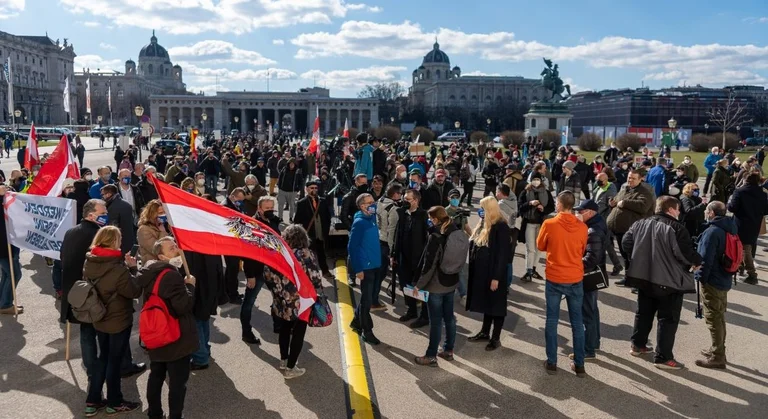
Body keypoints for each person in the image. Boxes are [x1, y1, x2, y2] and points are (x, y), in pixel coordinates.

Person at [622, 196, 702, 370]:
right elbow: (685, 254)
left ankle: (637, 345)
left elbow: (626, 243)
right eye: (678, 209)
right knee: (668, 319)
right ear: (671, 209)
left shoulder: (640, 223)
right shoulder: (676, 228)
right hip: (669, 281)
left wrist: (637, 258)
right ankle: (663, 357)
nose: (679, 212)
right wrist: (697, 261)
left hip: (644, 277)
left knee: (643, 313)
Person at [83, 226, 143, 415]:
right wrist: (133, 268)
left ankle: (93, 400)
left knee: (103, 357)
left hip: (99, 316)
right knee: (114, 361)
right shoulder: (118, 269)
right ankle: (115, 401)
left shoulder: (90, 260)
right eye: (120, 238)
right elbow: (134, 291)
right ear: (114, 242)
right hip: (118, 319)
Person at [136, 237, 198, 419]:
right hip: (174, 336)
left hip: (156, 334)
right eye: (172, 248)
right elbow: (183, 306)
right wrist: (190, 286)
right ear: (162, 256)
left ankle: (154, 413)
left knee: (156, 375)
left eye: (176, 246)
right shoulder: (171, 275)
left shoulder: (149, 271)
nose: (177, 250)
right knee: (177, 383)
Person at [536, 191, 589, 376]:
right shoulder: (582, 227)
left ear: (559, 204)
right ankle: (579, 363)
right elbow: (582, 249)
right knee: (577, 322)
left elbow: (540, 245)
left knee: (552, 320)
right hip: (574, 276)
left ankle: (552, 361)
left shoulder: (549, 224)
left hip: (555, 276)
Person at [60, 199, 108, 385]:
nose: (106, 215)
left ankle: (91, 367)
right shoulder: (98, 234)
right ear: (91, 215)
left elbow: (63, 257)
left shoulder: (70, 232)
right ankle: (105, 367)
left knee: (86, 332)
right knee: (99, 332)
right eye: (102, 212)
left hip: (75, 291)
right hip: (92, 292)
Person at [413, 206, 460, 366]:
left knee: (436, 321)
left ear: (435, 219)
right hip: (451, 282)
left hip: (436, 285)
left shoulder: (436, 236)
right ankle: (448, 350)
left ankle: (431, 355)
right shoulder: (455, 230)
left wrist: (419, 285)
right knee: (450, 318)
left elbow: (429, 264)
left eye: (430, 218)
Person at [694, 201, 736, 369]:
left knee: (713, 318)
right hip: (724, 277)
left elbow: (705, 259)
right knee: (719, 316)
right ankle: (717, 349)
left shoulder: (712, 232)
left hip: (713, 280)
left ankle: (718, 356)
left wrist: (700, 278)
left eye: (707, 210)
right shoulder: (730, 227)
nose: (705, 212)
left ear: (711, 213)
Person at [466, 197, 511, 351]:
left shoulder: (501, 226)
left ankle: (495, 338)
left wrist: (496, 278)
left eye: (483, 208)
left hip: (494, 273)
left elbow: (503, 255)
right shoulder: (485, 223)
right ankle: (485, 332)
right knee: (488, 304)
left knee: (496, 306)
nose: (480, 211)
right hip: (483, 272)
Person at [607, 170, 654, 286]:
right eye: (629, 177)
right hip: (619, 229)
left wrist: (625, 203)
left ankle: (636, 281)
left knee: (633, 256)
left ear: (640, 179)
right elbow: (617, 200)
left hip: (631, 230)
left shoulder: (645, 192)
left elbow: (643, 206)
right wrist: (612, 202)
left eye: (633, 178)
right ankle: (628, 278)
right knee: (625, 255)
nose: (630, 180)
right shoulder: (625, 189)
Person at [392, 189, 430, 327]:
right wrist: (394, 254)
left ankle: (425, 316)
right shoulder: (402, 214)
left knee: (421, 287)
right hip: (404, 258)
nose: (405, 202)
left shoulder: (424, 215)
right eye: (404, 199)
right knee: (406, 285)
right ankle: (411, 310)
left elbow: (428, 239)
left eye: (408, 199)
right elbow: (397, 235)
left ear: (416, 201)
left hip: (419, 260)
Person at [574, 199, 607, 362]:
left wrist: (574, 264)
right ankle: (594, 343)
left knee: (587, 312)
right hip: (591, 275)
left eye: (581, 212)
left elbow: (592, 258)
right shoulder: (594, 225)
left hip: (588, 275)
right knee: (592, 310)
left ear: (590, 213)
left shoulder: (593, 231)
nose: (577, 214)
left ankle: (588, 350)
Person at [349, 193, 382, 345]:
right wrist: (358, 269)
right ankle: (367, 331)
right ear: (362, 206)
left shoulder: (371, 218)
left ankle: (357, 321)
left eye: (373, 201)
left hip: (375, 264)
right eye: (369, 202)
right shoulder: (359, 223)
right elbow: (352, 247)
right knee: (367, 300)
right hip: (366, 267)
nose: (373, 204)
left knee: (366, 298)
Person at [727, 173, 768, 285]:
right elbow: (766, 210)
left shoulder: (740, 191)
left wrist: (730, 202)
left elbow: (732, 207)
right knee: (747, 246)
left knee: (744, 249)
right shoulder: (762, 193)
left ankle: (752, 274)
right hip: (754, 224)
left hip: (740, 223)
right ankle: (740, 267)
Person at [519, 173, 554, 282]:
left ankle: (533, 269)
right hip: (529, 223)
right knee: (530, 248)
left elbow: (551, 207)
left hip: (541, 224)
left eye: (538, 179)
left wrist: (543, 209)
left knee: (539, 247)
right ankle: (529, 271)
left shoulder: (546, 192)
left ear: (541, 180)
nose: (536, 181)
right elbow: (520, 207)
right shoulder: (525, 192)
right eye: (534, 179)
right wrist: (529, 203)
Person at [293, 181, 332, 276]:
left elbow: (328, 216)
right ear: (307, 189)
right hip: (309, 233)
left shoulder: (323, 201)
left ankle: (325, 271)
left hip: (320, 232)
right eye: (312, 188)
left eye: (315, 188)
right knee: (308, 255)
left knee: (321, 252)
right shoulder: (302, 203)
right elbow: (297, 220)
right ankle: (309, 274)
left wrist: (326, 229)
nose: (314, 190)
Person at [373, 183, 402, 310]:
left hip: (378, 239)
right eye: (400, 193)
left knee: (378, 273)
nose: (401, 196)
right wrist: (391, 251)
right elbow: (392, 231)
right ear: (395, 194)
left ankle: (373, 298)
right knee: (381, 274)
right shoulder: (393, 209)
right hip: (386, 243)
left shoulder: (380, 202)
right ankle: (374, 301)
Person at [0, 186, 22, 315]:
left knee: (7, 274)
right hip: (4, 246)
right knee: (14, 274)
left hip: (9, 243)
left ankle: (3, 301)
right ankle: (5, 304)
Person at [223, 188, 247, 303]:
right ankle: (232, 295)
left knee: (232, 269)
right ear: (233, 196)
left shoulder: (234, 205)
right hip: (230, 244)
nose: (241, 202)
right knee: (232, 269)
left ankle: (228, 292)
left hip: (234, 242)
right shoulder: (226, 206)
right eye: (239, 199)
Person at [100, 185, 135, 256]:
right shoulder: (126, 204)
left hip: (118, 241)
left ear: (108, 194)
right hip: (129, 239)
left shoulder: (112, 207)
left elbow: (111, 226)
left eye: (103, 194)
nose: (102, 197)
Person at [277, 158, 301, 222]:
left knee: (292, 205)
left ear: (295, 164)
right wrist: (279, 186)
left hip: (292, 192)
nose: (291, 165)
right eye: (290, 163)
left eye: (293, 164)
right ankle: (280, 217)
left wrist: (297, 189)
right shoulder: (284, 169)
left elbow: (300, 181)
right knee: (280, 205)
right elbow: (280, 177)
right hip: (282, 190)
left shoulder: (298, 171)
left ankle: (291, 217)